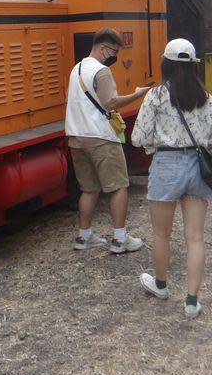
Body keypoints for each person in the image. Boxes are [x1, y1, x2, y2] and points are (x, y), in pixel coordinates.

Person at [132, 39, 212, 320]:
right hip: (197, 167)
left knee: (161, 234)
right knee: (195, 238)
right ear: (194, 66)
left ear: (165, 63)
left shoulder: (156, 96)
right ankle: (192, 301)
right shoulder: (209, 99)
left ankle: (160, 285)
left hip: (166, 166)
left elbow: (138, 138)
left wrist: (154, 145)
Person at [65, 28, 151, 253]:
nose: (114, 56)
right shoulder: (101, 71)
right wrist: (137, 94)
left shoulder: (77, 68)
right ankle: (120, 239)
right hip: (100, 137)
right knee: (119, 186)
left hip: (76, 136)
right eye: (113, 51)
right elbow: (110, 102)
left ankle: (84, 237)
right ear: (103, 48)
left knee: (89, 188)